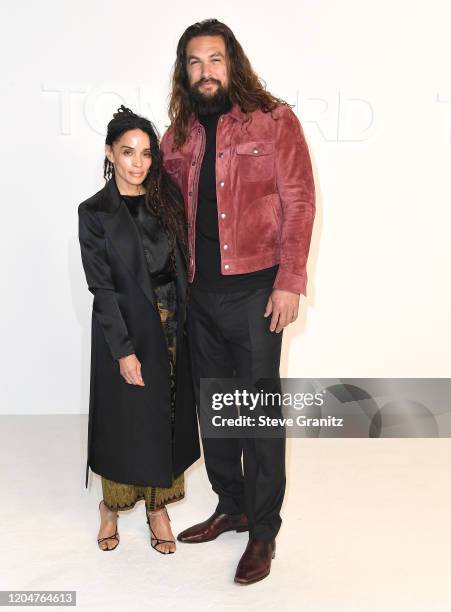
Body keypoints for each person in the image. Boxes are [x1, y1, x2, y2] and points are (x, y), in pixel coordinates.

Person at [160, 20, 316, 583]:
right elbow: (165, 213)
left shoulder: (274, 120)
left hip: (256, 290)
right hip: (199, 294)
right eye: (195, 62)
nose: (206, 71)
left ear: (234, 63)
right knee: (214, 410)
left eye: (215, 59)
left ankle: (263, 531)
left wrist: (289, 280)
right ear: (185, 71)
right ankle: (231, 504)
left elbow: (299, 201)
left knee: (258, 412)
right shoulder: (176, 135)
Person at [78, 105, 200, 554]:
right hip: (124, 329)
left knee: (165, 415)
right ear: (110, 153)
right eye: (127, 152)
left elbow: (182, 264)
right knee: (124, 420)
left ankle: (157, 508)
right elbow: (101, 286)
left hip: (171, 323)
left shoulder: (165, 200)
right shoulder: (93, 212)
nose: (138, 162)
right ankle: (110, 507)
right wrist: (123, 351)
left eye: (147, 153)